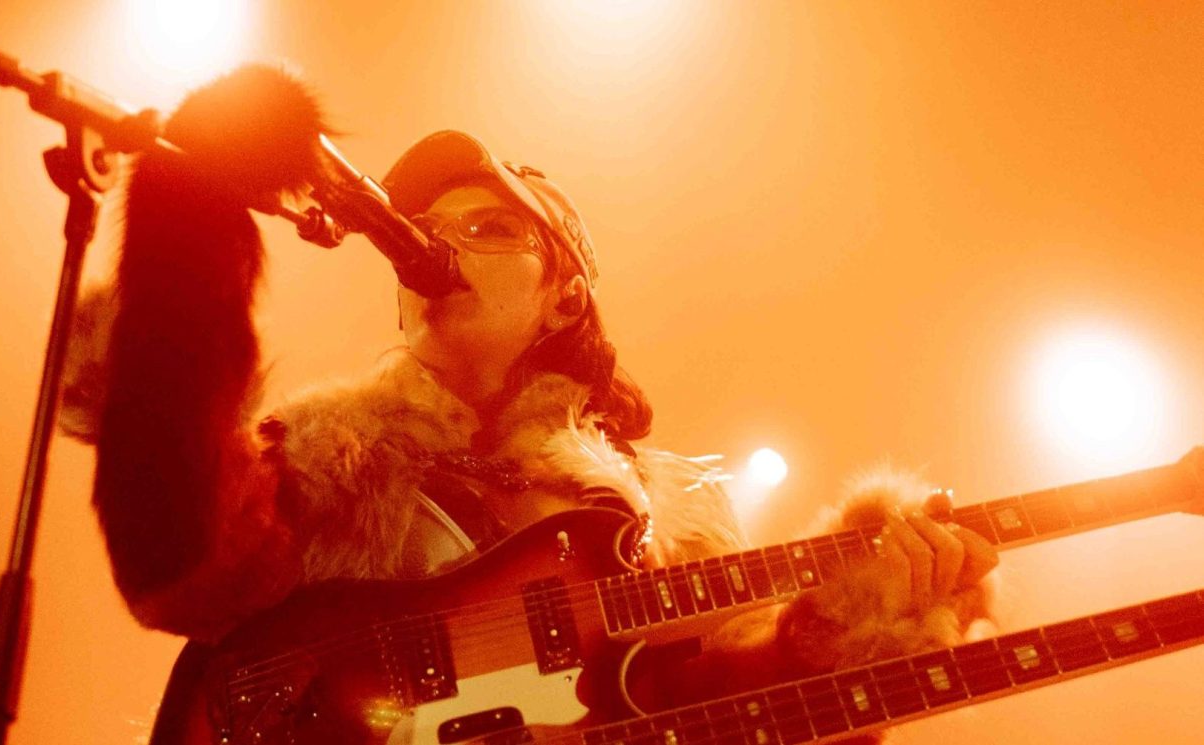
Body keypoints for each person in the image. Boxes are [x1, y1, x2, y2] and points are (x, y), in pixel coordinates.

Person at [59, 66, 998, 742]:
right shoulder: (319, 456)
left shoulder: (670, 514)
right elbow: (178, 571)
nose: (442, 243)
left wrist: (826, 639)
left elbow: (707, 709)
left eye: (491, 227)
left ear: (564, 297)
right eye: (428, 228)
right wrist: (190, 214)